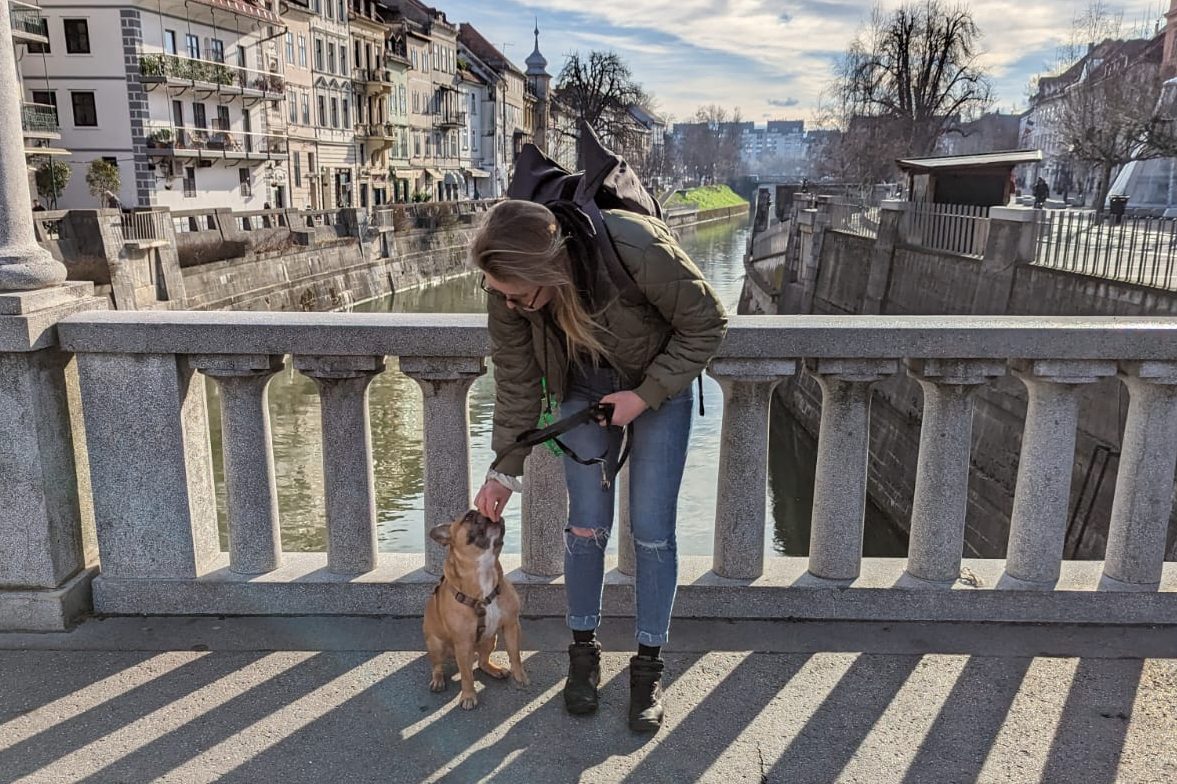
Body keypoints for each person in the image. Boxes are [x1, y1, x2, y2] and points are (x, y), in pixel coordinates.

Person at [471, 171, 727, 733]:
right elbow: (515, 379)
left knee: (654, 532)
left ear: (547, 269)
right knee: (585, 526)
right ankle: (582, 655)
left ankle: (648, 667)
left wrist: (643, 396)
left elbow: (706, 324)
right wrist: (502, 470)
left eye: (517, 294)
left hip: (658, 386)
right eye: (500, 295)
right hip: (583, 390)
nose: (509, 305)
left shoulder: (634, 245)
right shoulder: (505, 291)